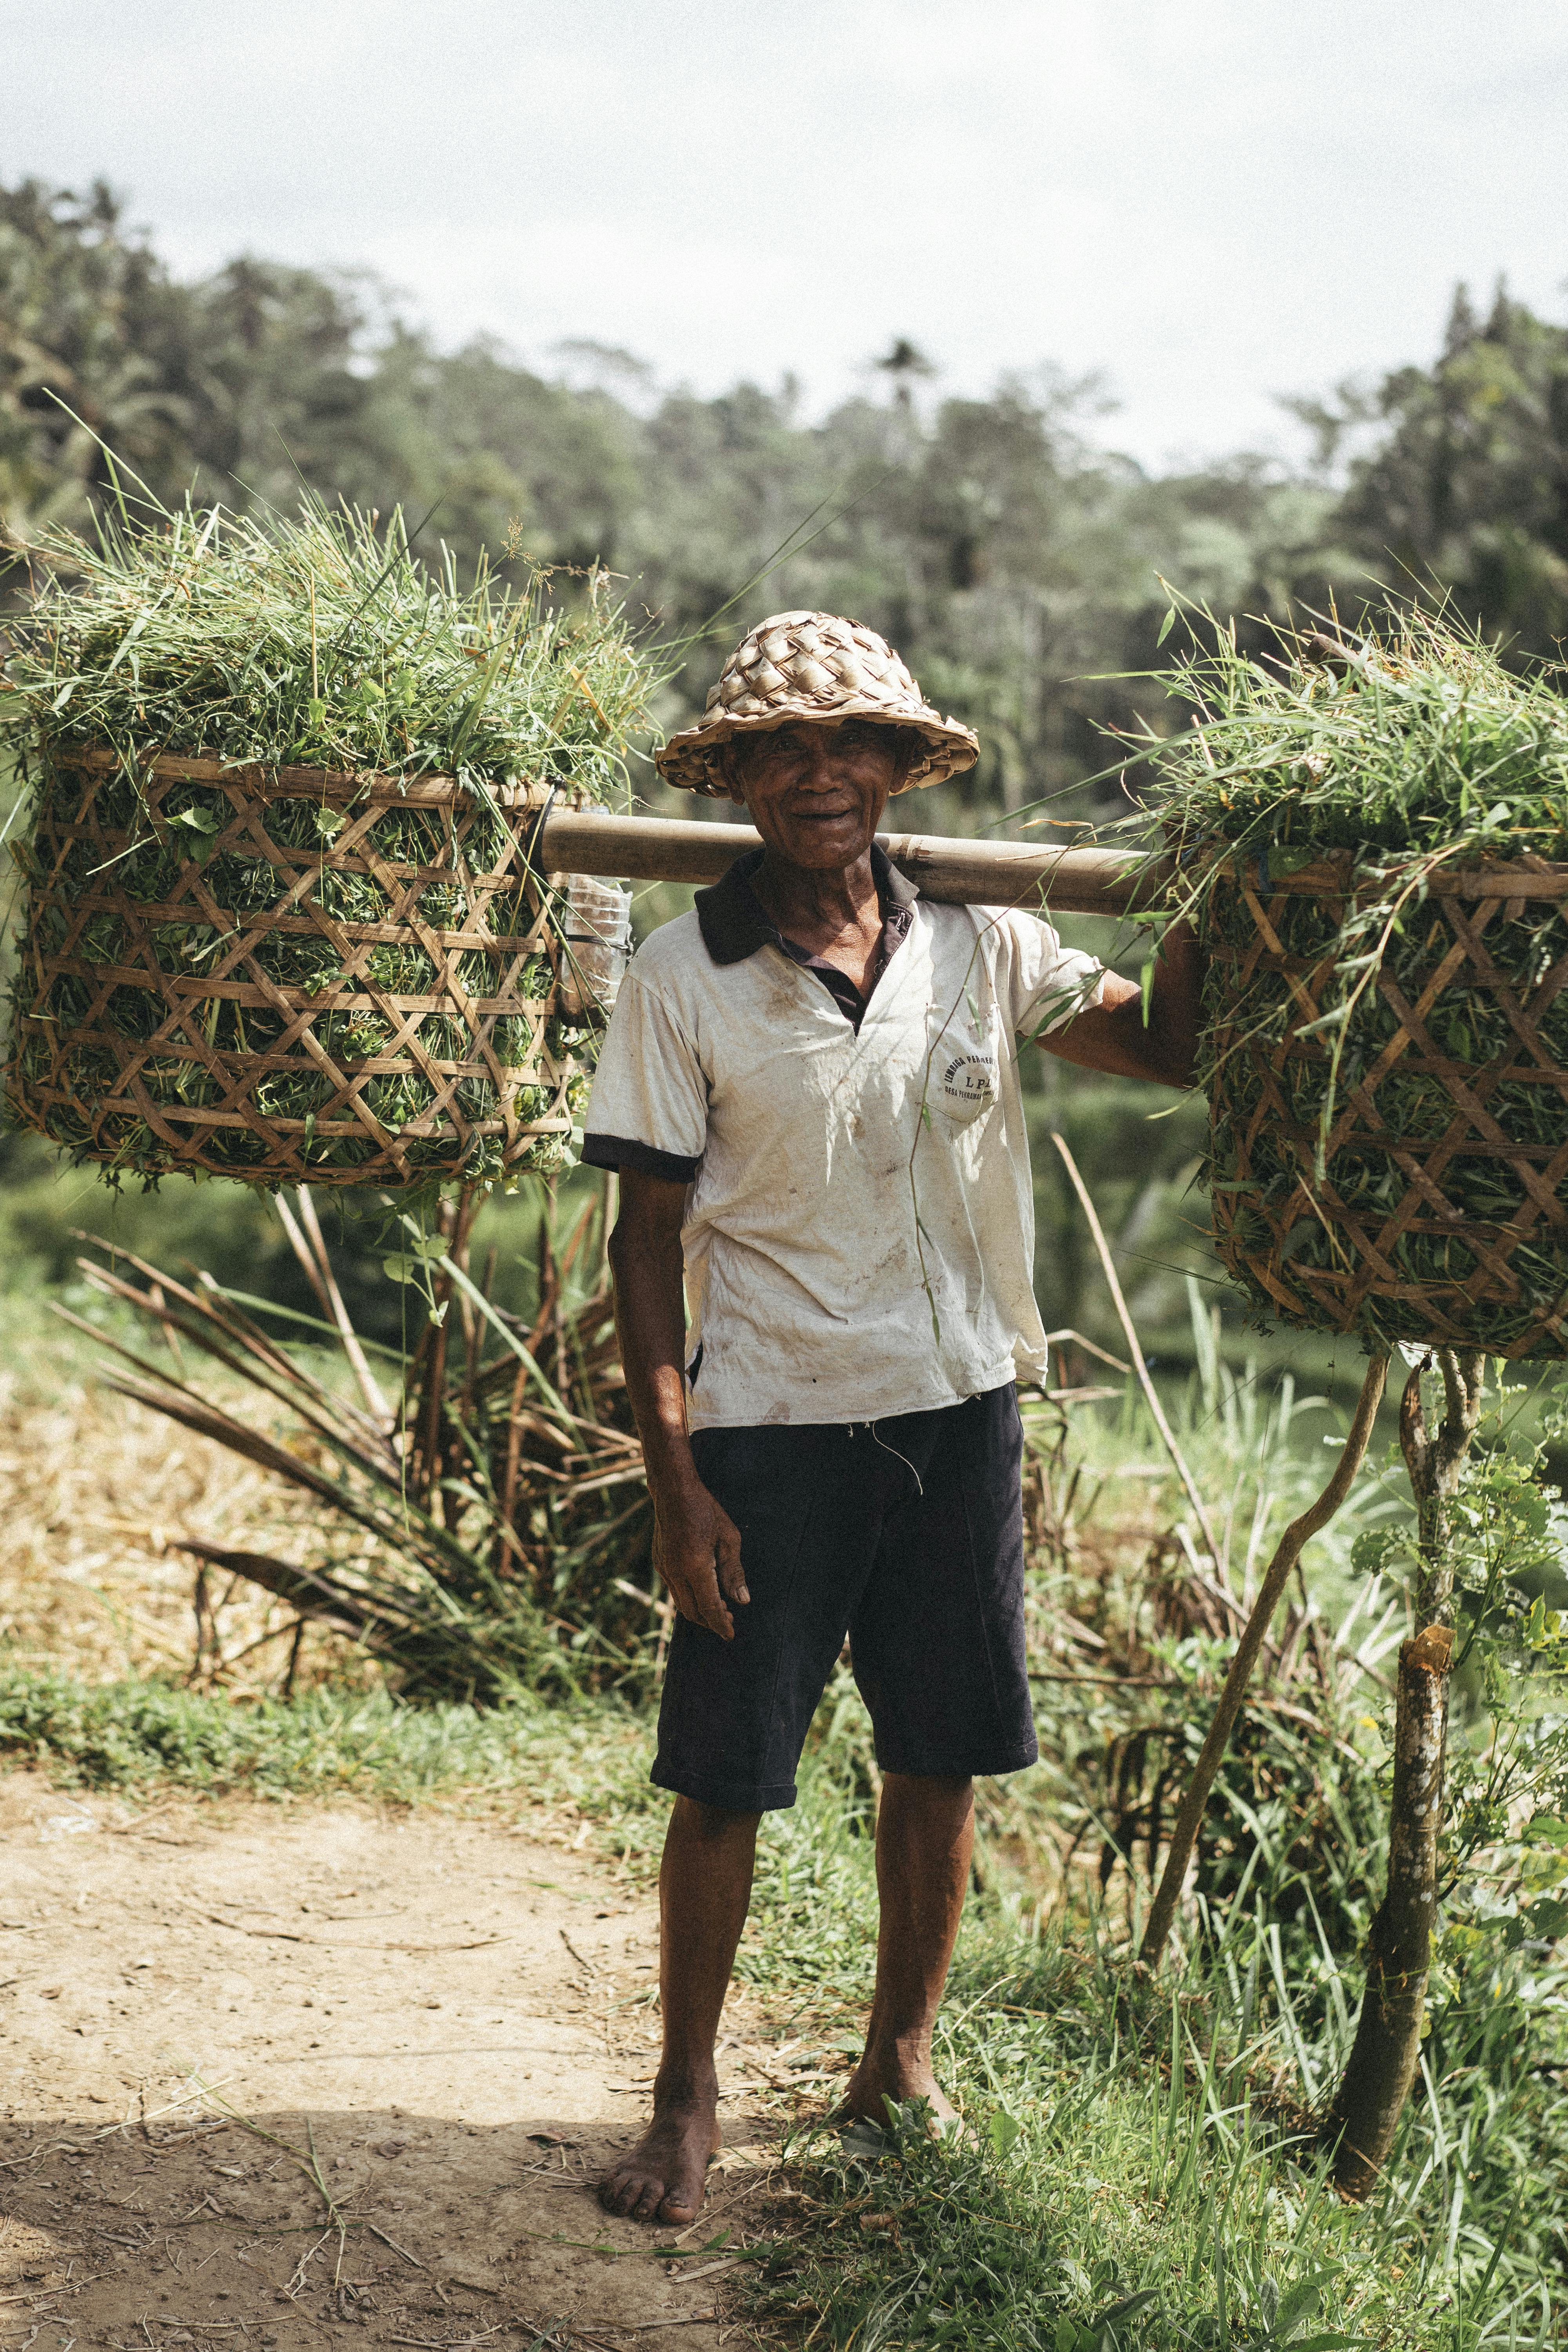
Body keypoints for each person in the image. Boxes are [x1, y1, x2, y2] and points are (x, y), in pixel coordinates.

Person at [581, 611, 1200, 2225]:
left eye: (853, 746)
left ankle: (897, 2066)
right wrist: (676, 1483)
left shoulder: (986, 943)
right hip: (771, 1424)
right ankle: (686, 2094)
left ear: (898, 769)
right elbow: (644, 1243)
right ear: (733, 781)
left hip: (963, 1410)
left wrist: (1225, 881)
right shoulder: (680, 974)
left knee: (942, 1751)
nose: (822, 776)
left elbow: (1176, 1045)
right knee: (728, 1774)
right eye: (782, 751)